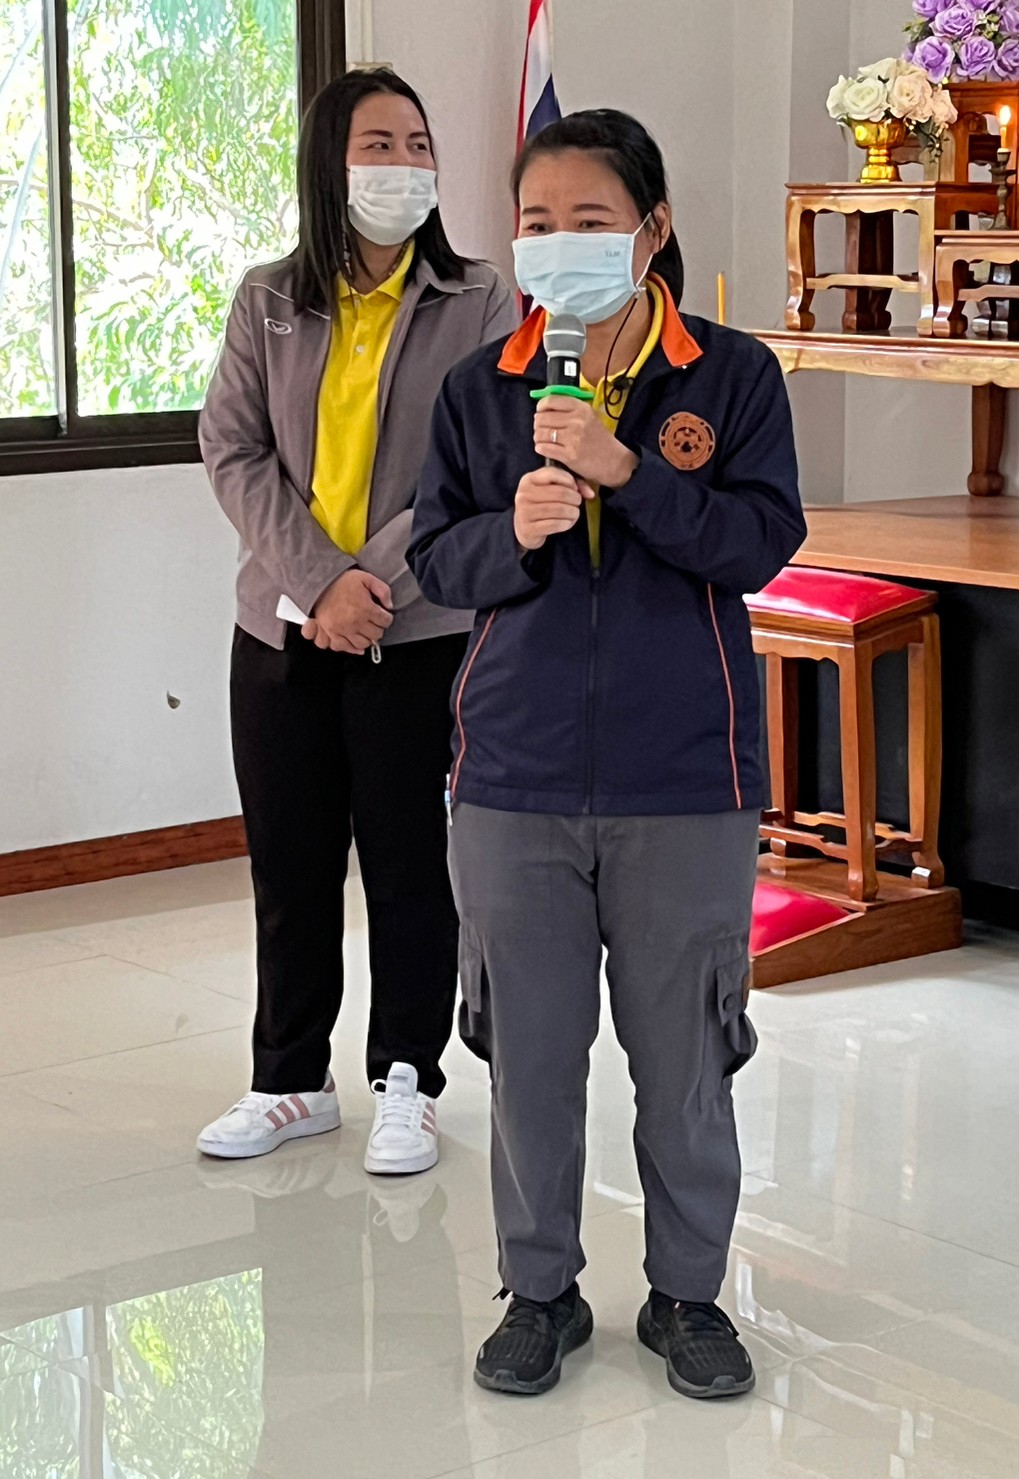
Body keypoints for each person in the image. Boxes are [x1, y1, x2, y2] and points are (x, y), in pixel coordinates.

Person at [409, 109, 805, 1399]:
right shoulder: (481, 388)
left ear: (652, 228)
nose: (558, 243)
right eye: (536, 222)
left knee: (684, 1061)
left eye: (589, 220)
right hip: (512, 775)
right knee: (527, 1060)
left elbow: (757, 544)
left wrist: (626, 471)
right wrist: (512, 533)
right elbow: (437, 561)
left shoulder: (729, 377)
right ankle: (538, 1292)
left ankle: (687, 1296)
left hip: (684, 776)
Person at [196, 69, 516, 1173]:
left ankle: (407, 1078)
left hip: (417, 630)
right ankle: (288, 1078)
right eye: (378, 144)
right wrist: (317, 581)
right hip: (279, 630)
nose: (404, 164)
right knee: (288, 866)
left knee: (408, 865)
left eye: (418, 143)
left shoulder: (479, 299)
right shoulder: (269, 299)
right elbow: (232, 448)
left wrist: (365, 586)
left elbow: (479, 465)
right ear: (328, 163)